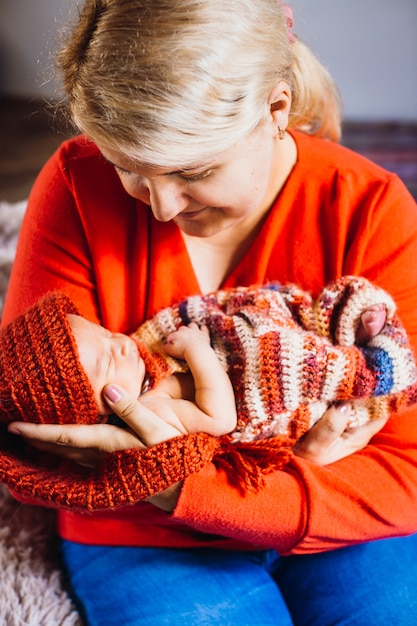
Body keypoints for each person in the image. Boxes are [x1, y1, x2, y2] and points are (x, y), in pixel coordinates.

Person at [3, 0, 417, 623]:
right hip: (144, 532)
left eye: (193, 171)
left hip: (338, 507)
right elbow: (29, 419)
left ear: (277, 110)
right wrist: (174, 488)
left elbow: (404, 470)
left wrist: (184, 480)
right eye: (129, 170)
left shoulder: (370, 210)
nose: (161, 208)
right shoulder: (76, 186)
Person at [2, 278, 414, 510]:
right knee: (303, 366)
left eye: (107, 334)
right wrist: (199, 352)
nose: (124, 344)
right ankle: (363, 363)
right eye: (108, 361)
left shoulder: (143, 362)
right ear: (89, 417)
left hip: (250, 343)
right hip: (265, 406)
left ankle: (344, 329)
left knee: (308, 320)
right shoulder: (149, 408)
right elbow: (220, 418)